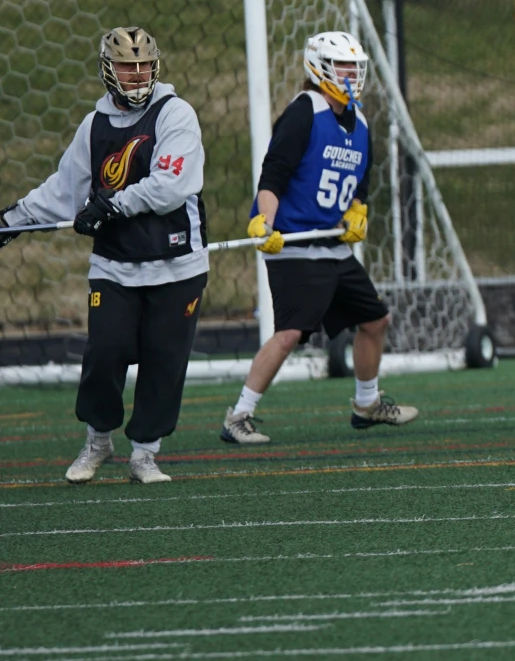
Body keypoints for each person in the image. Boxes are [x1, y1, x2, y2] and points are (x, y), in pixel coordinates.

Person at [2, 28, 208, 484]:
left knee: (163, 360)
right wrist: (13, 221)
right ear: (107, 69)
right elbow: (65, 191)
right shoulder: (93, 127)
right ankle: (98, 440)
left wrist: (111, 203)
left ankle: (145, 454)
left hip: (177, 264)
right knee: (106, 351)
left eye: (143, 66)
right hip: (115, 265)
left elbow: (170, 186)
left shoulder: (176, 115)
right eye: (125, 66)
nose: (135, 75)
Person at [221, 31, 413, 444]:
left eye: (355, 67)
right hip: (293, 244)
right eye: (342, 65)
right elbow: (273, 175)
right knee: (290, 334)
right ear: (319, 66)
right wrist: (263, 222)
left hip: (332, 245)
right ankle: (238, 416)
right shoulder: (304, 111)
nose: (351, 74)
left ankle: (366, 404)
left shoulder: (360, 122)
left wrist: (358, 211)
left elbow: (361, 182)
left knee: (375, 320)